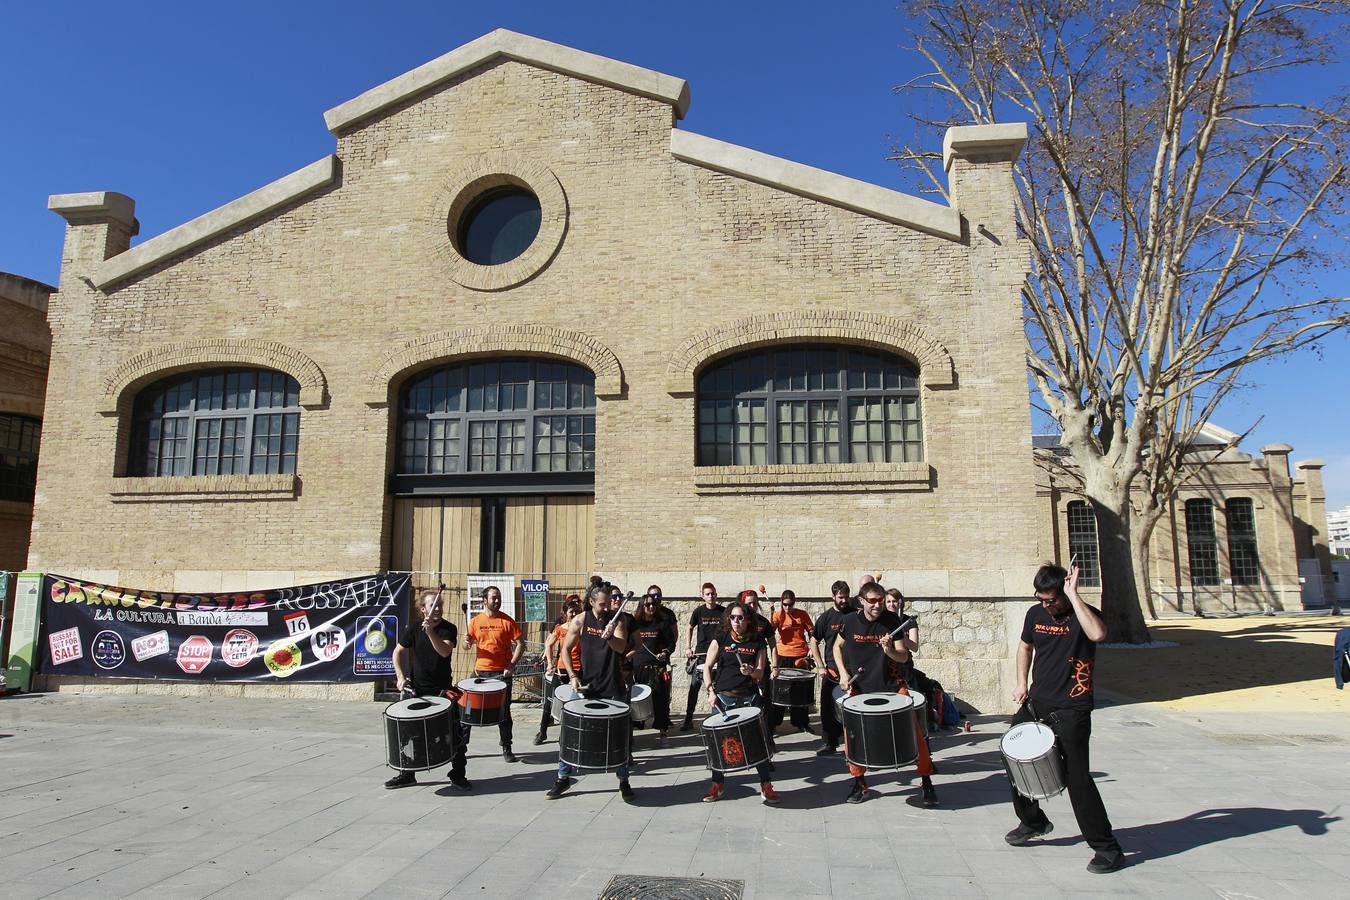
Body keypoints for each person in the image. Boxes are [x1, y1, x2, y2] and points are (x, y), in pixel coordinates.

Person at [1005, 564, 1125, 874]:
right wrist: (1021, 683)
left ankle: (1107, 848)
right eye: (1041, 599)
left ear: (1064, 592)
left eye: (1052, 599)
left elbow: (1098, 634)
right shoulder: (1035, 615)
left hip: (1072, 708)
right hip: (1037, 702)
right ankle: (1033, 821)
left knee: (1077, 779)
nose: (1046, 605)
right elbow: (1025, 646)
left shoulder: (1083, 614)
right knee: (1011, 756)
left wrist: (1073, 596)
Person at [834, 582, 938, 807]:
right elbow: (837, 646)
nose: (877, 605)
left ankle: (926, 781)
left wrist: (889, 650)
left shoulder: (891, 622)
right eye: (872, 601)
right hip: (859, 689)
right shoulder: (849, 621)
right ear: (861, 601)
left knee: (916, 736)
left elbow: (903, 657)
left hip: (892, 687)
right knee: (853, 738)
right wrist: (843, 674)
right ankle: (859, 782)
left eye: (880, 600)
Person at [547, 585, 636, 801]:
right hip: (588, 686)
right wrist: (573, 676)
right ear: (593, 602)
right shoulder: (580, 620)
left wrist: (610, 637)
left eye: (609, 603)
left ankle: (624, 782)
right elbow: (565, 649)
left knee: (618, 737)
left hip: (613, 686)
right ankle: (563, 778)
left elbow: (621, 647)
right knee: (570, 732)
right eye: (603, 604)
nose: (607, 607)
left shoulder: (618, 620)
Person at [385, 588, 471, 790]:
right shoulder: (414, 629)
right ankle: (407, 773)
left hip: (442, 691)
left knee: (455, 735)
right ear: (423, 608)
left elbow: (444, 651)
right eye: (433, 605)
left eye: (440, 604)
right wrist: (400, 676)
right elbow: (397, 651)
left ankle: (458, 774)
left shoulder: (448, 628)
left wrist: (430, 631)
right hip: (417, 691)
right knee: (408, 734)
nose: (438, 609)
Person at [700, 601, 779, 804]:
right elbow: (708, 666)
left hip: (749, 698)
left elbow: (761, 673)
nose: (736, 621)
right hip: (724, 698)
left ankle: (766, 785)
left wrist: (751, 671)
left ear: (748, 620)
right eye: (732, 617)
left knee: (757, 742)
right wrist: (710, 691)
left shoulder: (758, 641)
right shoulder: (722, 637)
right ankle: (717, 785)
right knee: (719, 745)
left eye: (740, 617)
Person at [464, 585, 524, 763]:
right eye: (493, 598)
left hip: (501, 674)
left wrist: (511, 665)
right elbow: (466, 646)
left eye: (498, 598)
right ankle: (462, 745)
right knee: (467, 709)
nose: (497, 601)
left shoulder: (507, 621)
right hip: (480, 672)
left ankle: (507, 747)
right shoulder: (475, 622)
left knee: (504, 713)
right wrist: (466, 642)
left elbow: (521, 644)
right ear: (485, 600)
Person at [811, 580, 854, 755]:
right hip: (831, 669)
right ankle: (829, 743)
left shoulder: (854, 614)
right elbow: (814, 642)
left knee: (853, 708)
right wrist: (820, 666)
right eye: (841, 597)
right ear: (833, 597)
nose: (844, 600)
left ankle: (855, 743)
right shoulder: (825, 618)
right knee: (828, 708)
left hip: (852, 669)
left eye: (846, 597)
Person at [631, 584, 678, 746]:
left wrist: (665, 652)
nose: (651, 607)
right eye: (647, 604)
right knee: (638, 698)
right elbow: (629, 644)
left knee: (661, 700)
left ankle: (663, 731)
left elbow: (671, 643)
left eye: (653, 604)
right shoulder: (635, 624)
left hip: (657, 667)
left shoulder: (662, 623)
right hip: (639, 667)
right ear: (641, 606)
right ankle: (638, 725)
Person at [535, 594, 583, 745]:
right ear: (565, 613)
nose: (574, 614)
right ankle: (542, 732)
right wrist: (549, 663)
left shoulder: (582, 628)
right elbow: (548, 645)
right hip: (560, 670)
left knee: (574, 703)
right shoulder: (560, 629)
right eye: (571, 611)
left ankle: (567, 735)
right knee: (550, 702)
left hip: (577, 670)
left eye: (576, 611)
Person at [767, 589, 815, 734]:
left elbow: (813, 632)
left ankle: (802, 722)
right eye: (785, 605)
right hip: (783, 654)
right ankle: (774, 723)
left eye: (790, 604)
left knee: (801, 690)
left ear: (794, 602)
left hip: (800, 654)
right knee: (780, 690)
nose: (788, 608)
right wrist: (771, 614)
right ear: (781, 603)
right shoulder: (778, 615)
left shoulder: (802, 614)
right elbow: (769, 632)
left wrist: (812, 647)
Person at [681, 582, 725, 731]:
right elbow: (689, 627)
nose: (710, 596)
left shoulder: (723, 612)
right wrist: (688, 647)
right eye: (707, 594)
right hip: (701, 654)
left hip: (718, 654)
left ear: (716, 595)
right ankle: (688, 719)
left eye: (712, 593)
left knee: (719, 688)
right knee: (694, 687)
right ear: (703, 596)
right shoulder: (698, 612)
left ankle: (720, 718)